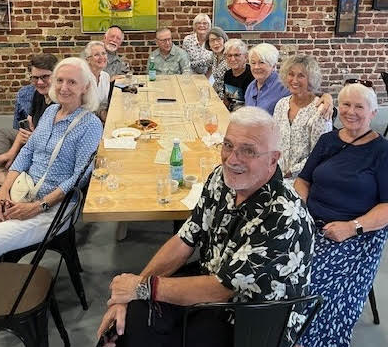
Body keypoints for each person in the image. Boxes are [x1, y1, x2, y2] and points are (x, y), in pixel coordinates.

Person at [97, 106, 314, 347]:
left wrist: (141, 287)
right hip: (209, 292)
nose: (232, 160)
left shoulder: (285, 215)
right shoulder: (219, 179)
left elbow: (223, 288)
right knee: (131, 320)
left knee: (139, 330)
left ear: (273, 159)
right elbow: (184, 239)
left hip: (251, 319)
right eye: (228, 145)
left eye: (248, 151)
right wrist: (128, 295)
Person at [294, 83, 388, 347]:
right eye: (346, 104)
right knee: (272, 265)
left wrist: (352, 227)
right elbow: (303, 180)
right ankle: (271, 333)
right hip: (310, 224)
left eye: (360, 106)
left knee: (312, 282)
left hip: (355, 236)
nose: (351, 111)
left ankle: (310, 341)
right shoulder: (328, 140)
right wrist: (300, 208)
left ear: (373, 112)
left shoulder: (382, 152)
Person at [0, 57, 103, 256]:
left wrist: (38, 206)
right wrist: (4, 190)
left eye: (72, 82)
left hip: (54, 208)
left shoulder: (90, 124)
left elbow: (80, 177)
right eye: (60, 80)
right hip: (23, 191)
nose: (64, 87)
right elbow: (27, 151)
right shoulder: (50, 112)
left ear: (86, 87)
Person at [273, 54, 332, 180]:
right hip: (276, 172)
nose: (294, 80)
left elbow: (319, 155)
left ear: (310, 79)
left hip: (304, 178)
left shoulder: (320, 111)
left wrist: (290, 173)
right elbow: (273, 141)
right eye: (291, 74)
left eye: (301, 76)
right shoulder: (281, 104)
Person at [0, 53, 58, 171]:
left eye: (45, 77)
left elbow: (59, 143)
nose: (40, 82)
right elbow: (26, 128)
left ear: (56, 75)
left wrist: (34, 139)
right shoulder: (38, 93)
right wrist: (10, 153)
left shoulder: (61, 100)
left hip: (47, 150)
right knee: (3, 133)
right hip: (32, 139)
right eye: (35, 78)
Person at [245, 43, 333, 117]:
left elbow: (309, 94)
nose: (256, 67)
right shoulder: (250, 87)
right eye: (253, 63)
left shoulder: (284, 84)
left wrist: (326, 97)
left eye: (262, 62)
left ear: (273, 65)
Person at [223, 39, 254, 111]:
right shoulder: (228, 74)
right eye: (229, 55)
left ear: (246, 57)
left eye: (237, 55)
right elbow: (226, 100)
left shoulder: (252, 75)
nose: (232, 59)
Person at [83, 41, 111, 122]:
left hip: (99, 120)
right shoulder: (83, 78)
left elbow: (103, 105)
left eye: (104, 53)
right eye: (96, 55)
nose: (102, 57)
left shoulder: (106, 76)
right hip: (85, 121)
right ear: (88, 59)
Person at [204, 26, 229, 99]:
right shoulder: (214, 56)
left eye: (218, 39)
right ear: (209, 44)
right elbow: (202, 63)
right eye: (212, 40)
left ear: (224, 40)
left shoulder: (230, 57)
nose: (216, 43)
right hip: (216, 95)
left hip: (226, 98)